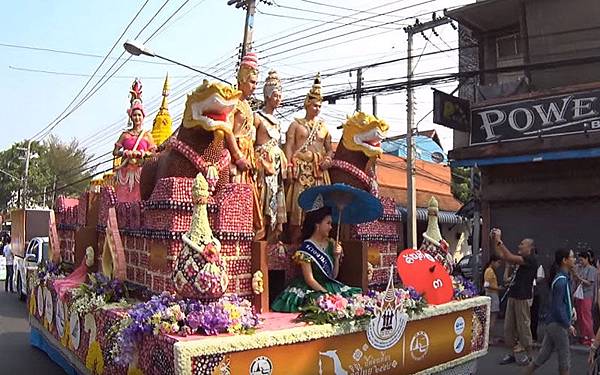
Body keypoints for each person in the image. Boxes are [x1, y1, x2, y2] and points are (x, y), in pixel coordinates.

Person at [271, 197, 361, 312]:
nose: (330, 227)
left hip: (329, 284)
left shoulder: (332, 244)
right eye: (328, 223)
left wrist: (336, 257)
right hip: (313, 286)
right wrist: (326, 294)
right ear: (317, 225)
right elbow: (310, 279)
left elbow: (333, 276)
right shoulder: (306, 247)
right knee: (317, 303)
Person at [284, 73, 333, 245]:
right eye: (314, 105)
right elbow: (289, 146)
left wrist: (328, 160)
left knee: (318, 210)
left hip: (318, 172)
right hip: (300, 170)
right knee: (297, 210)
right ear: (307, 104)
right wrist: (289, 165)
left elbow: (330, 150)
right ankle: (294, 243)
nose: (317, 108)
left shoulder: (324, 128)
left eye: (319, 106)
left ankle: (316, 244)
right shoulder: (296, 124)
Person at [226, 52, 264, 234]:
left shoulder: (249, 107)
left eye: (256, 83)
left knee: (249, 199)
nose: (254, 87)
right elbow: (228, 131)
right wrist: (238, 156)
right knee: (235, 194)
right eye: (252, 82)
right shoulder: (233, 102)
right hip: (235, 158)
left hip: (248, 158)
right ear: (241, 79)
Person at [490, 228, 538, 366]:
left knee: (523, 328)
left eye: (522, 244)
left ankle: (530, 356)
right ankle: (511, 354)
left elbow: (509, 257)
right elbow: (503, 255)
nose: (519, 246)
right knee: (508, 328)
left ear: (530, 248)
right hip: (513, 295)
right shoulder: (522, 260)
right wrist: (495, 240)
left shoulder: (531, 260)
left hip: (522, 298)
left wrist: (499, 240)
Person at [525, 248, 577, 375]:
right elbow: (558, 307)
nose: (574, 259)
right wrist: (568, 324)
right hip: (558, 324)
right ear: (565, 260)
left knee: (542, 356)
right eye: (572, 257)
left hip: (554, 323)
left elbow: (564, 301)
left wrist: (572, 309)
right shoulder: (561, 281)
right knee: (564, 358)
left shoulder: (563, 278)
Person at [253, 70, 287, 241]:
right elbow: (250, 145)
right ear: (267, 96)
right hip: (262, 169)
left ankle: (271, 246)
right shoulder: (257, 118)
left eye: (280, 95)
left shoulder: (279, 123)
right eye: (275, 95)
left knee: (275, 204)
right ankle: (259, 241)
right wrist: (260, 161)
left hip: (276, 168)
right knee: (262, 204)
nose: (278, 99)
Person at [113, 78, 156, 202]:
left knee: (140, 200)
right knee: (123, 201)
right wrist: (125, 153)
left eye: (139, 115)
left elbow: (154, 154)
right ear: (131, 117)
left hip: (141, 172)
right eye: (135, 115)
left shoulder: (147, 135)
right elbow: (115, 152)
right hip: (125, 172)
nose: (137, 118)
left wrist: (142, 154)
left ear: (143, 117)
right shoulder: (125, 135)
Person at [573, 250, 597, 346]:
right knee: (579, 315)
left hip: (587, 295)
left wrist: (579, 279)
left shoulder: (591, 269)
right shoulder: (579, 267)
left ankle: (590, 336)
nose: (581, 262)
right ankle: (583, 335)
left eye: (582, 260)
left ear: (587, 259)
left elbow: (590, 283)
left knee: (586, 316)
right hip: (579, 294)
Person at [484, 254, 502, 344]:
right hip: (492, 295)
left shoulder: (490, 271)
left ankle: (490, 337)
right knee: (492, 318)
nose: (499, 265)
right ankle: (490, 338)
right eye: (498, 263)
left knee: (491, 317)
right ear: (493, 262)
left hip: (492, 294)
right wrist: (498, 288)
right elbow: (486, 285)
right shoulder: (489, 271)